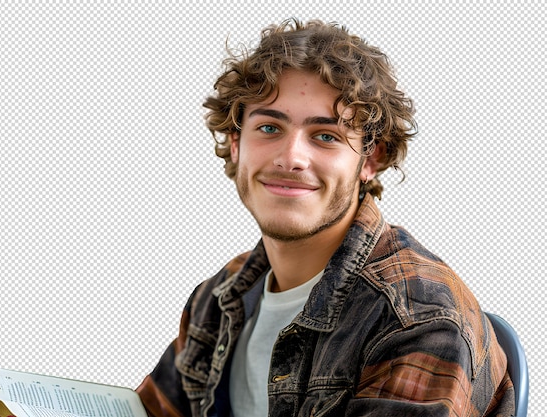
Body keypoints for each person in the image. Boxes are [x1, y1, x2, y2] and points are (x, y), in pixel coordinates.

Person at [136, 18, 515, 416]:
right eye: (269, 127)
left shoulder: (418, 318)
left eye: (326, 136)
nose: (291, 157)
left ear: (372, 158)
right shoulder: (218, 298)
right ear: (236, 145)